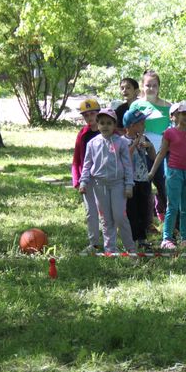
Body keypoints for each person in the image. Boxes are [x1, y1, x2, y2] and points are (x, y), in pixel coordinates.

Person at [79, 109, 135, 254]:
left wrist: (129, 185)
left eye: (109, 123)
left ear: (114, 125)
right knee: (105, 218)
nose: (105, 126)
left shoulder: (121, 142)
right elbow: (87, 164)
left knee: (120, 216)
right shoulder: (92, 143)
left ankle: (130, 248)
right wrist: (83, 182)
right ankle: (110, 249)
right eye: (102, 123)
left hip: (118, 184)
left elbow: (127, 165)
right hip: (99, 185)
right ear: (97, 124)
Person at [150, 101, 186, 249]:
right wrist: (152, 172)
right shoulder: (169, 133)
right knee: (172, 207)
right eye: (184, 113)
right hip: (174, 172)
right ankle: (167, 239)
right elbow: (161, 153)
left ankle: (185, 238)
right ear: (177, 115)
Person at [128, 70, 172, 226]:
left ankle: (172, 221)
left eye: (154, 85)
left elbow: (173, 128)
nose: (151, 88)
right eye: (148, 85)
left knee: (165, 185)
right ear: (142, 86)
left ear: (159, 87)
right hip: (142, 151)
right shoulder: (136, 105)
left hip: (164, 151)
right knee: (144, 187)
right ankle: (146, 223)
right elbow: (130, 126)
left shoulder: (168, 106)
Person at [72, 98, 104, 255]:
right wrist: (77, 179)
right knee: (90, 211)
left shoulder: (108, 130)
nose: (90, 118)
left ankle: (110, 242)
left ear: (99, 114)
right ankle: (94, 243)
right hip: (87, 178)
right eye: (86, 115)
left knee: (106, 211)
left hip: (105, 177)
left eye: (92, 114)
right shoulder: (83, 134)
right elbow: (77, 158)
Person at [125, 110, 155, 250]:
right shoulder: (123, 141)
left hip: (144, 179)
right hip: (130, 181)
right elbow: (126, 156)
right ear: (132, 125)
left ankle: (142, 239)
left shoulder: (144, 138)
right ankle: (133, 238)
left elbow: (153, 157)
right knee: (132, 210)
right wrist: (135, 143)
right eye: (142, 123)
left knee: (144, 210)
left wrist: (150, 146)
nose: (144, 126)